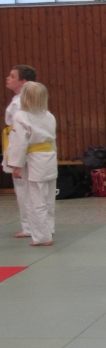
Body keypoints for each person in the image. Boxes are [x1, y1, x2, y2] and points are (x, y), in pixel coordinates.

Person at [6, 82, 57, 247]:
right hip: (49, 158)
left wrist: (17, 165)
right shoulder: (49, 116)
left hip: (34, 160)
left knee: (35, 200)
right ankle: (49, 228)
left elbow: (20, 143)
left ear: (24, 97)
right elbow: (53, 141)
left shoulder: (21, 116)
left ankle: (42, 237)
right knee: (48, 199)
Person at [3, 64, 37, 238]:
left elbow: (20, 133)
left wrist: (17, 160)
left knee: (23, 190)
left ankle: (29, 227)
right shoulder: (24, 99)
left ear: (23, 82)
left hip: (22, 146)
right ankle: (38, 226)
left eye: (12, 76)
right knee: (28, 190)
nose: (8, 78)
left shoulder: (21, 103)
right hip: (22, 145)